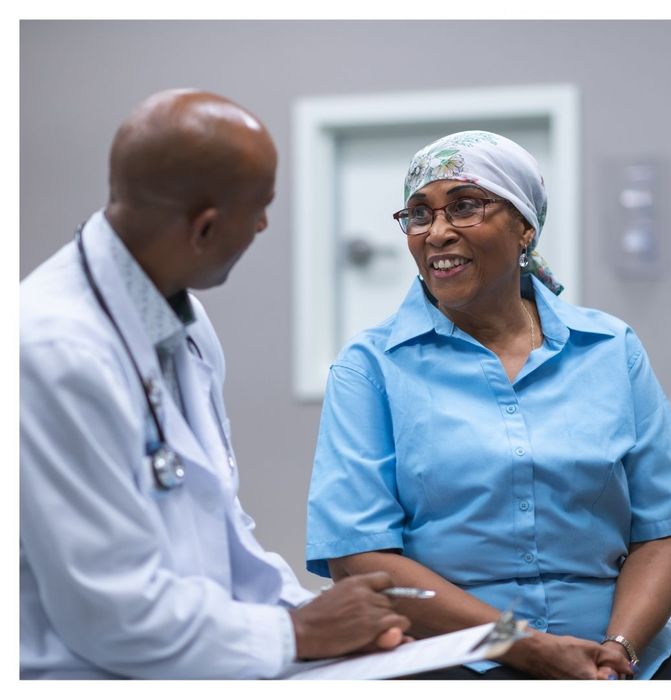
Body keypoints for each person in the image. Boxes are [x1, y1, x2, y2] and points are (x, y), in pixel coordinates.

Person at [19, 89, 410, 679]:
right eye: (259, 208)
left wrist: (312, 612)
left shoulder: (184, 320)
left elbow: (221, 526)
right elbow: (111, 613)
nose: (262, 224)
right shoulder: (52, 353)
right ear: (204, 228)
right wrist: (295, 634)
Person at [305, 130, 671, 680]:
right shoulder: (371, 367)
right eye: (418, 215)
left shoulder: (609, 349)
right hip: (451, 659)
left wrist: (618, 650)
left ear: (524, 226)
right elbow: (360, 558)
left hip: (625, 657)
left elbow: (665, 528)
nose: (436, 233)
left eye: (464, 207)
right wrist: (524, 645)